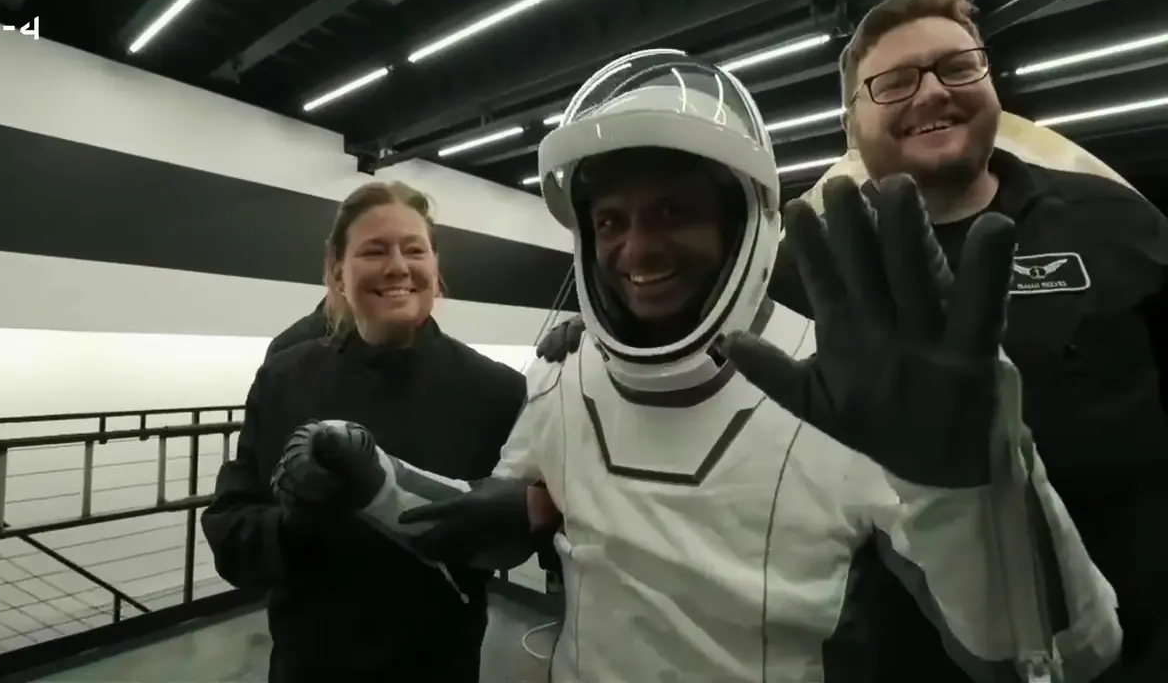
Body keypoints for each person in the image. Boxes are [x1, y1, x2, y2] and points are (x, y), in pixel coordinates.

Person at [313, 50, 1121, 681]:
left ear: (744, 222)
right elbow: (488, 523)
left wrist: (976, 481)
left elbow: (1050, 654)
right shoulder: (564, 373)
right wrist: (378, 482)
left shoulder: (851, 386)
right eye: (611, 220)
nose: (636, 248)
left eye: (674, 210)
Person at [769, 0, 1168, 683]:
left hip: (1133, 652)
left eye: (957, 67)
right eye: (893, 82)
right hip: (902, 657)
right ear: (850, 118)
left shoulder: (1120, 224)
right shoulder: (806, 267)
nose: (931, 94)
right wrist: (577, 357)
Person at [199, 180, 527, 683]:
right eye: (374, 251)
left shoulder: (497, 391)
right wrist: (291, 525)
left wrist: (510, 518)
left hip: (439, 669)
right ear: (337, 272)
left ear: (435, 268)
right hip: (309, 669)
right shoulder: (284, 378)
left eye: (414, 249)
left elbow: (524, 540)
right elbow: (229, 530)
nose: (397, 266)